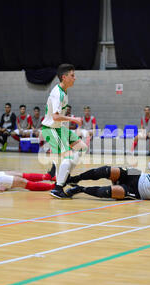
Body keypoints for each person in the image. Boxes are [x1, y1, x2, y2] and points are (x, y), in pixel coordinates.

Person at [41, 63, 87, 199]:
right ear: (64, 77)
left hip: (60, 128)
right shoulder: (57, 94)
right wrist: (74, 120)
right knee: (68, 157)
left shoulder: (64, 91)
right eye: (72, 76)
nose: (75, 78)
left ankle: (65, 178)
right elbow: (55, 117)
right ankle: (57, 188)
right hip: (51, 129)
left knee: (82, 148)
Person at [65, 159, 150, 207]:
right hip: (136, 175)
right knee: (107, 170)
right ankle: (74, 178)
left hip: (136, 191)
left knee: (108, 192)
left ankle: (79, 189)